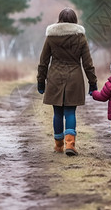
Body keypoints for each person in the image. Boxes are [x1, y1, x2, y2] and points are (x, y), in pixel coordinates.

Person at [37, 8, 97, 156]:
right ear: (75, 20)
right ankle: (70, 145)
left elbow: (43, 61)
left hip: (55, 77)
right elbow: (88, 63)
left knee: (57, 112)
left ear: (59, 19)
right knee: (70, 112)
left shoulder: (51, 37)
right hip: (74, 78)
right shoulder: (80, 37)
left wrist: (41, 81)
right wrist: (92, 82)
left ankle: (58, 146)